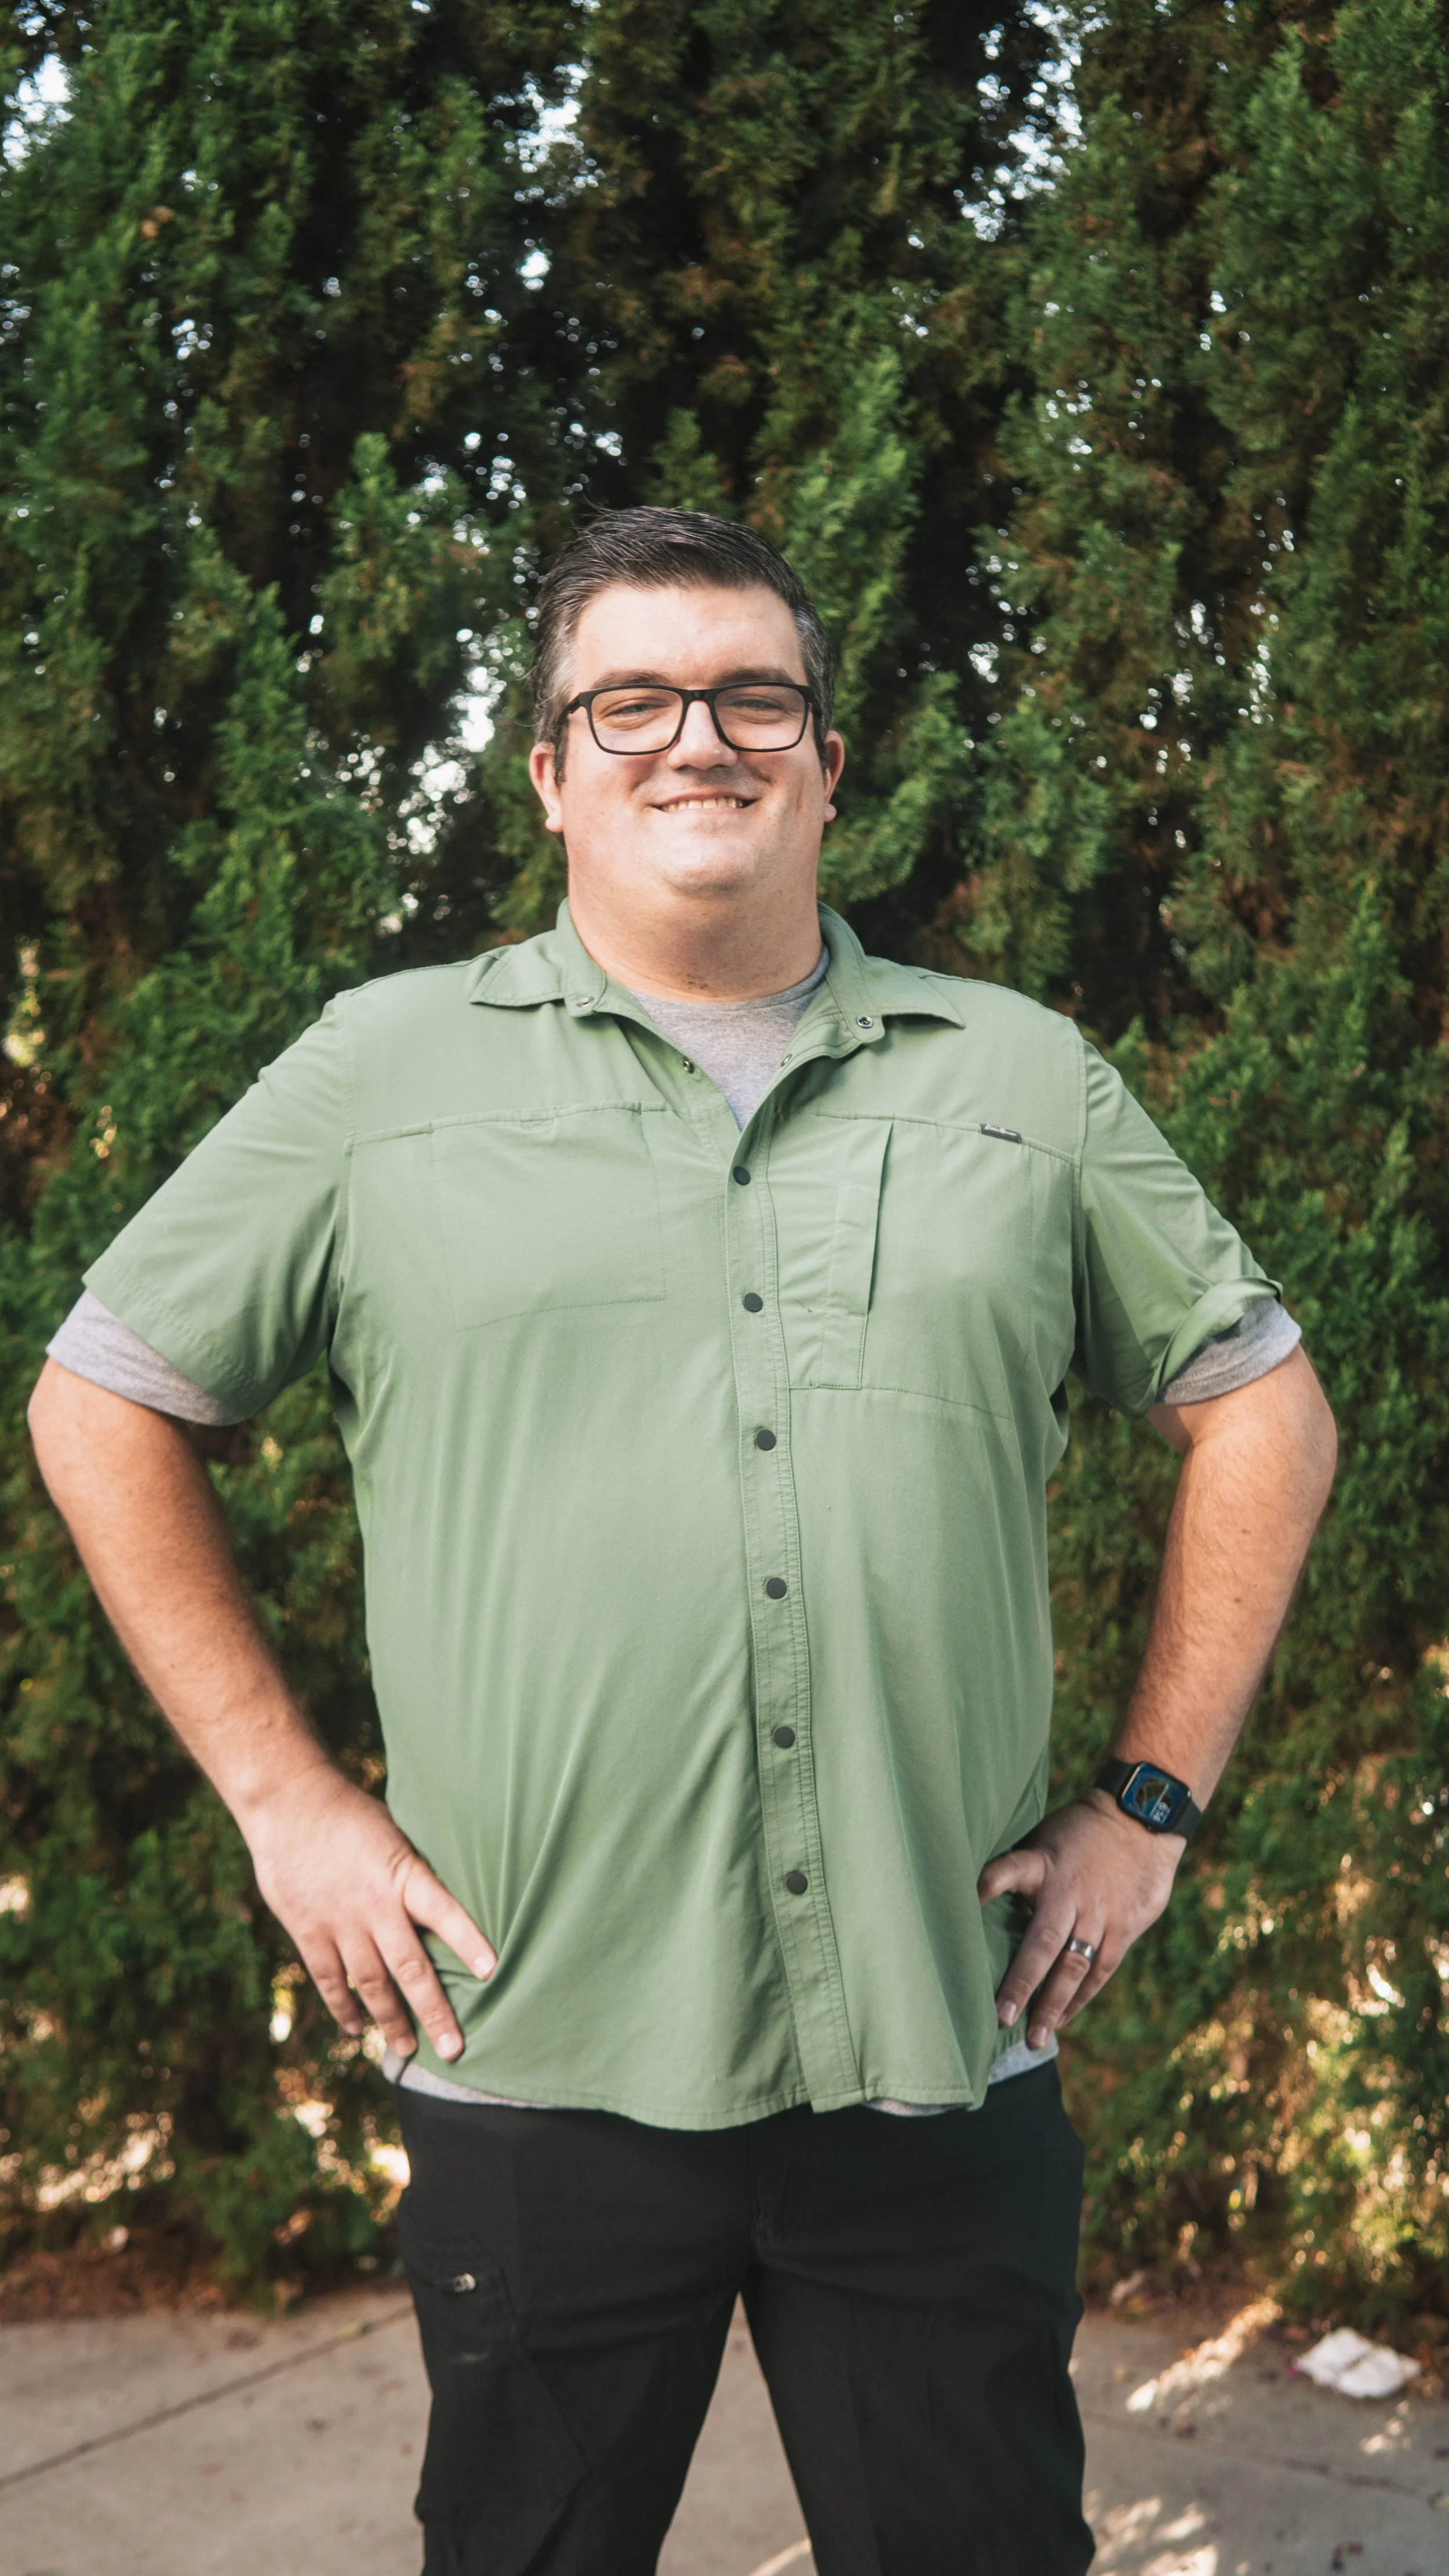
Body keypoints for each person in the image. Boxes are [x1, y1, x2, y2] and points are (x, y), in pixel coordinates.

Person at [29, 507, 1336, 2576]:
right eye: (626, 699)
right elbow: (103, 1395)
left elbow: (1261, 1402)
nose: (693, 739)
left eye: (750, 696)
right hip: (534, 2043)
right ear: (548, 767)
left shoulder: (1018, 1077)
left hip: (935, 2038)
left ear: (825, 757)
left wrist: (1150, 1798)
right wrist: (282, 1798)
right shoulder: (381, 1075)